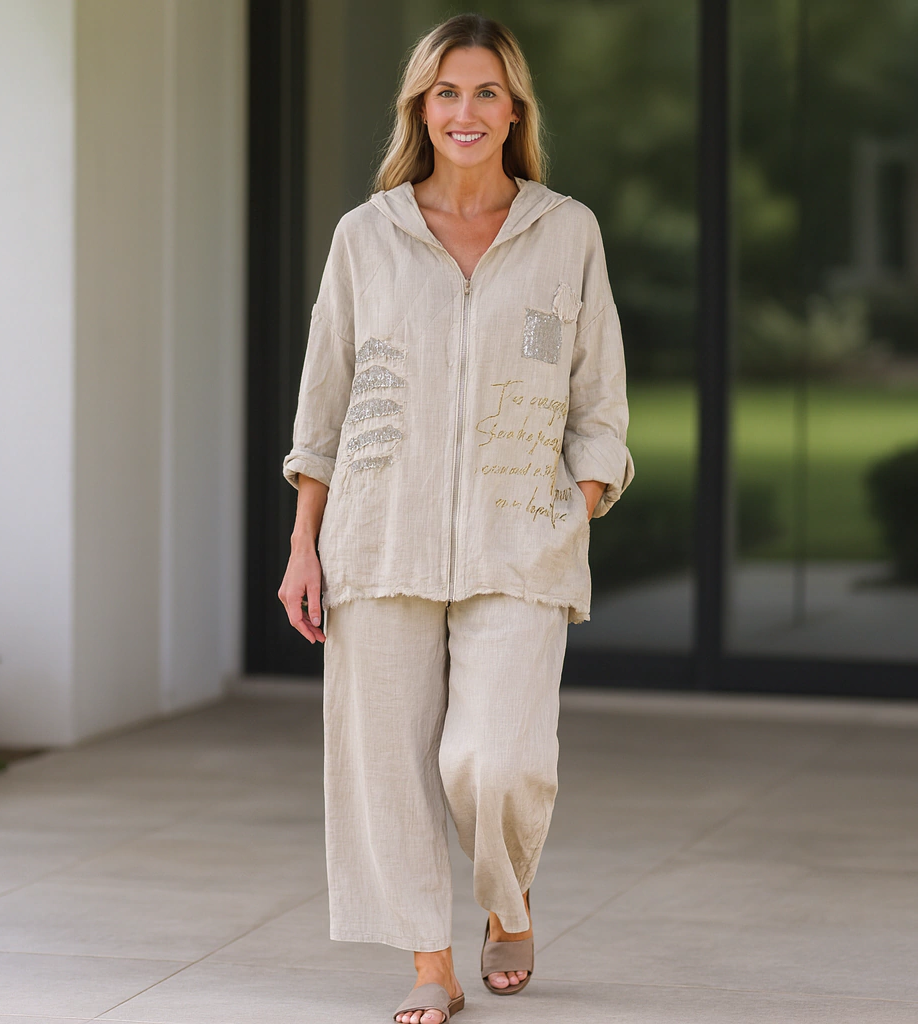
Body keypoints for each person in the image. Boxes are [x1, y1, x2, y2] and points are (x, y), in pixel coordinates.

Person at [278, 13, 633, 1023]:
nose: (464, 112)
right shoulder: (367, 236)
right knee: (386, 766)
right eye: (445, 93)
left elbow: (599, 400)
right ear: (420, 109)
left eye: (484, 92)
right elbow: (324, 405)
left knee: (497, 757)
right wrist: (304, 544)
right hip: (377, 538)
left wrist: (576, 506)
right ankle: (431, 966)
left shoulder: (566, 232)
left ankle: (506, 898)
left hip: (521, 540)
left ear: (513, 110)